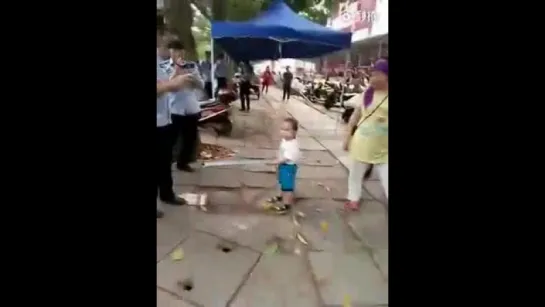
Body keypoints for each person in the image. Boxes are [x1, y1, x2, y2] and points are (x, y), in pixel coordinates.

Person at [342, 59, 389, 211]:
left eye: (377, 74)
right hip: (361, 142)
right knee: (355, 174)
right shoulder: (367, 94)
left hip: (384, 147)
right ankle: (353, 198)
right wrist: (347, 138)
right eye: (372, 74)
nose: (372, 77)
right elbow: (354, 118)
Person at [156, 21, 189, 218]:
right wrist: (172, 85)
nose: (162, 38)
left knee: (164, 161)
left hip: (163, 120)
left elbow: (164, 84)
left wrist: (176, 81)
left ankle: (167, 194)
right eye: (161, 34)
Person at [167, 39, 204, 173]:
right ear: (169, 52)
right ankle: (166, 163)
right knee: (171, 138)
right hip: (174, 108)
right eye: (174, 51)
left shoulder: (191, 66)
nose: (177, 53)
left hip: (190, 107)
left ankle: (183, 163)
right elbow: (165, 86)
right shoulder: (164, 67)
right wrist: (176, 72)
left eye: (179, 50)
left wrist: (193, 78)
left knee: (190, 138)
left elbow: (201, 85)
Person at [267, 118, 301, 214]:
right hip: (283, 166)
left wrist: (276, 162)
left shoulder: (292, 145)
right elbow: (282, 153)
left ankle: (287, 204)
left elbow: (287, 158)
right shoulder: (285, 141)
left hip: (288, 167)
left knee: (287, 187)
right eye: (282, 129)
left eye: (287, 130)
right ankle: (281, 196)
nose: (283, 132)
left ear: (294, 132)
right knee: (282, 182)